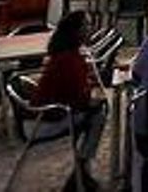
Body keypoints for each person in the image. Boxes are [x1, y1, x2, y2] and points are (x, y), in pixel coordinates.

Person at [31, 11, 106, 192]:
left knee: (96, 113)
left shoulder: (64, 54)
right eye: (87, 25)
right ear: (76, 31)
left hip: (45, 112)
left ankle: (81, 171)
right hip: (48, 118)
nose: (91, 29)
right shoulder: (69, 59)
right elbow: (79, 98)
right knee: (99, 115)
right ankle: (81, 169)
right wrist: (93, 97)